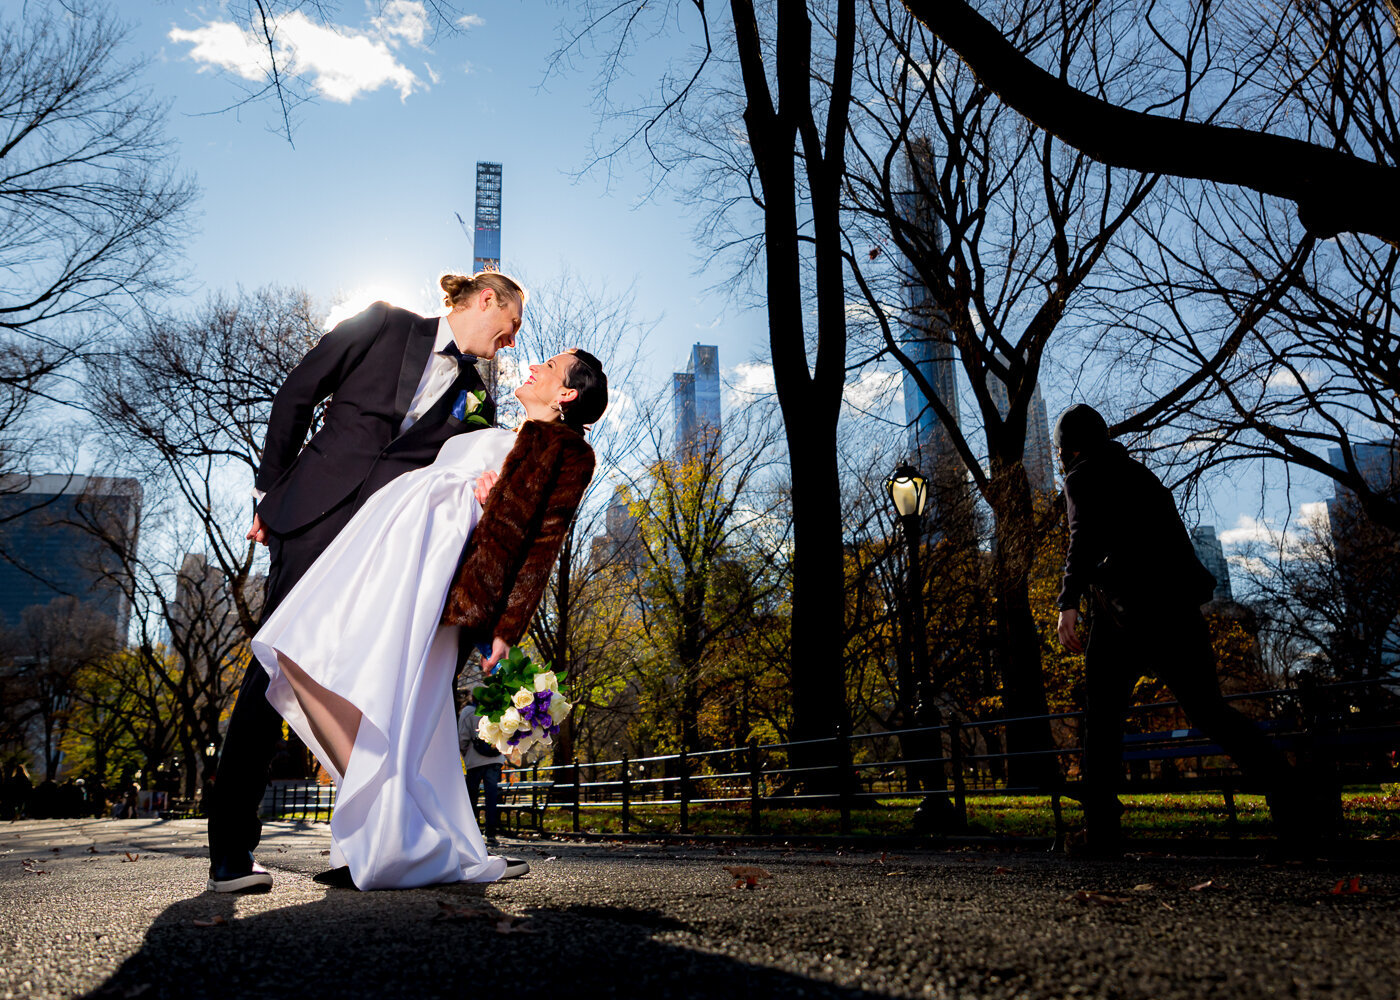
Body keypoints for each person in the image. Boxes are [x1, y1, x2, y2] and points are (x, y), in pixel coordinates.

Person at [208, 271, 525, 893]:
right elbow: (298, 393)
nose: (510, 342)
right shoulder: (383, 322)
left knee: (375, 684)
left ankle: (384, 841)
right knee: (274, 670)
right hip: (310, 517)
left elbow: (460, 472)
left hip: (379, 546)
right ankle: (230, 855)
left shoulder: (478, 395)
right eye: (510, 325)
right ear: (488, 300)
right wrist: (270, 494)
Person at [250, 348, 606, 890]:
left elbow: (542, 543)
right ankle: (397, 822)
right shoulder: (499, 427)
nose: (533, 367)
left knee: (400, 702)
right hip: (390, 552)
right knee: (301, 651)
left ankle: (401, 829)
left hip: (438, 569)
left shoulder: (565, 451)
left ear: (566, 395)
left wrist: (507, 629)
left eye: (550, 369)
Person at [1052, 403, 1333, 852]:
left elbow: (1080, 539)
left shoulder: (1081, 477)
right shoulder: (1143, 477)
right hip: (1176, 613)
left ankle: (1102, 830)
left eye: (1060, 449)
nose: (1059, 458)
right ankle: (1296, 804)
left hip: (1123, 617)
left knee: (1102, 725)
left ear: (1073, 448)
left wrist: (1068, 603)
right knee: (1211, 712)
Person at [457, 692, 504, 845]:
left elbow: (463, 736)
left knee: (472, 797)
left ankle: (472, 833)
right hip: (495, 759)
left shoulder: (468, 711)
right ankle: (491, 833)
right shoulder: (497, 708)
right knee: (492, 797)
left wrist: (464, 751)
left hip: (474, 760)